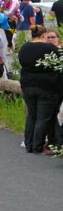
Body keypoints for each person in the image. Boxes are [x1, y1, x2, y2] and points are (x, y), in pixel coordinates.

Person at [18, 25, 62, 154]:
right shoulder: (50, 48)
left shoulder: (24, 48)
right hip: (46, 86)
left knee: (31, 115)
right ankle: (38, 146)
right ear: (44, 35)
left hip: (27, 85)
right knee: (43, 118)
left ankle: (29, 144)